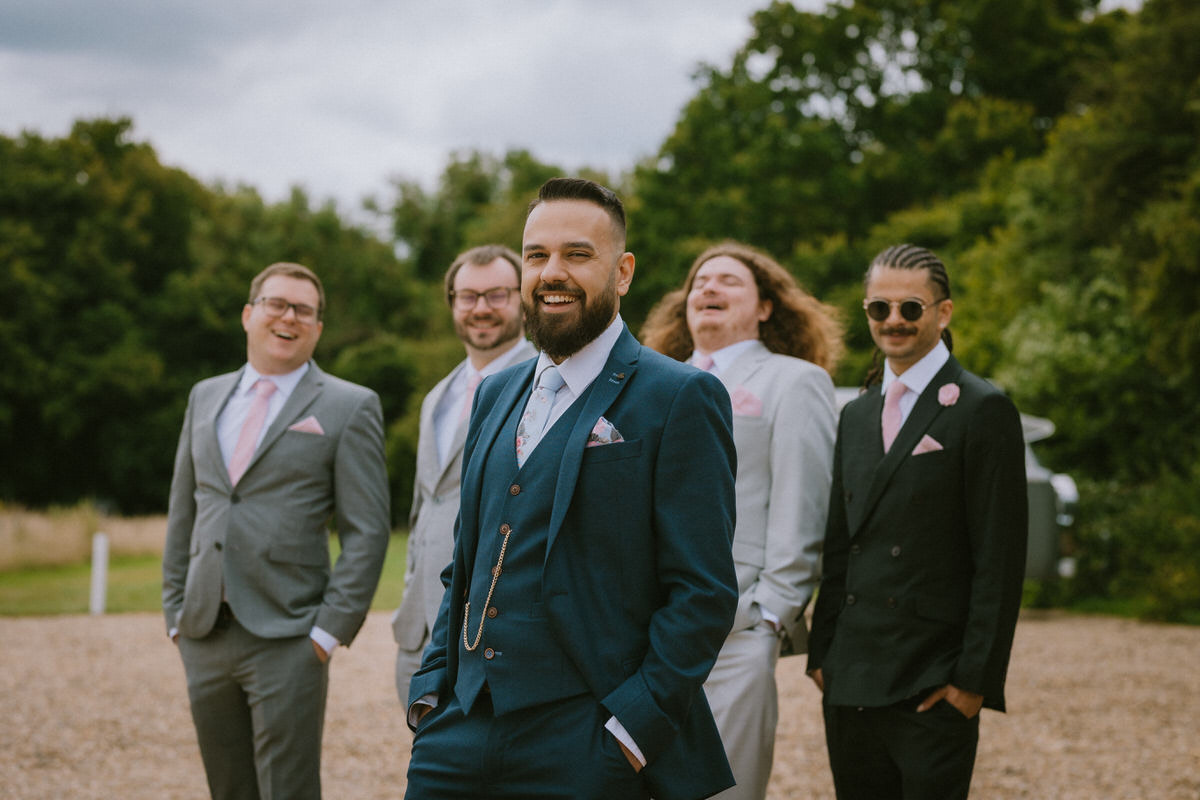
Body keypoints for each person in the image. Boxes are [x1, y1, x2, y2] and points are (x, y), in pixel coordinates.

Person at [404, 178, 739, 800]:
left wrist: (632, 730)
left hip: (590, 742)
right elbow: (467, 563)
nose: (552, 272)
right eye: (537, 255)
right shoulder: (495, 395)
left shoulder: (679, 396)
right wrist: (431, 690)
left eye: (577, 255)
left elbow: (703, 590)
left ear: (623, 272)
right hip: (457, 733)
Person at [162, 262, 391, 800]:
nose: (289, 317)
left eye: (304, 310)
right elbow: (183, 510)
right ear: (249, 315)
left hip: (290, 637)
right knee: (228, 789)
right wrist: (175, 610)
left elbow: (367, 531)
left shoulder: (350, 405)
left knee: (288, 790)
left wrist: (327, 632)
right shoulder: (205, 396)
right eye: (276, 304)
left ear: (317, 327)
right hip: (202, 631)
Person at [806, 244, 1027, 800]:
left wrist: (972, 683)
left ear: (943, 313)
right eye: (880, 309)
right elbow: (841, 543)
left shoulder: (982, 408)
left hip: (933, 679)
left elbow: (999, 557)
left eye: (911, 308)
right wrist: (823, 654)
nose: (895, 321)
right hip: (850, 680)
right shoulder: (855, 413)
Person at [641, 241, 842, 800]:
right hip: (639, 632)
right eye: (700, 281)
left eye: (729, 281)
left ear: (765, 307)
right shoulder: (647, 382)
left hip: (738, 631)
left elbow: (805, 504)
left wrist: (771, 618)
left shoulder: (795, 382)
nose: (708, 288)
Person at [392, 244, 535, 704]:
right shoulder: (439, 394)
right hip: (419, 629)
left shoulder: (545, 383)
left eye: (497, 295)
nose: (481, 309)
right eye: (467, 296)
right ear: (452, 302)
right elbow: (425, 504)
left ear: (523, 299)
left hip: (492, 627)